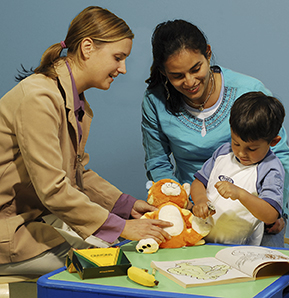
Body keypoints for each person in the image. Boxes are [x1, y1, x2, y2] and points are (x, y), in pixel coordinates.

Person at [0, 6, 172, 276]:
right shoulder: (39, 98)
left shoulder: (71, 100)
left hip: (32, 220)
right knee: (109, 266)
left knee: (113, 249)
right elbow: (53, 189)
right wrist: (122, 227)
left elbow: (77, 172)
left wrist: (125, 205)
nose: (123, 69)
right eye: (118, 57)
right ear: (87, 47)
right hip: (9, 230)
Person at [142, 19, 289, 247]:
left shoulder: (248, 92)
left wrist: (277, 211)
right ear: (163, 72)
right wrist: (181, 205)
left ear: (208, 54)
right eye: (177, 76)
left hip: (254, 212)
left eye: (196, 69)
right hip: (194, 211)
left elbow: (279, 157)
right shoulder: (155, 101)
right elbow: (158, 163)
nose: (190, 82)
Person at [190, 92, 285, 245]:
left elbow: (270, 215)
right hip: (202, 241)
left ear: (273, 141)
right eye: (236, 143)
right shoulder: (223, 152)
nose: (241, 153)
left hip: (238, 249)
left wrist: (240, 194)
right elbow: (199, 182)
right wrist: (201, 200)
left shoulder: (270, 168)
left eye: (252, 149)